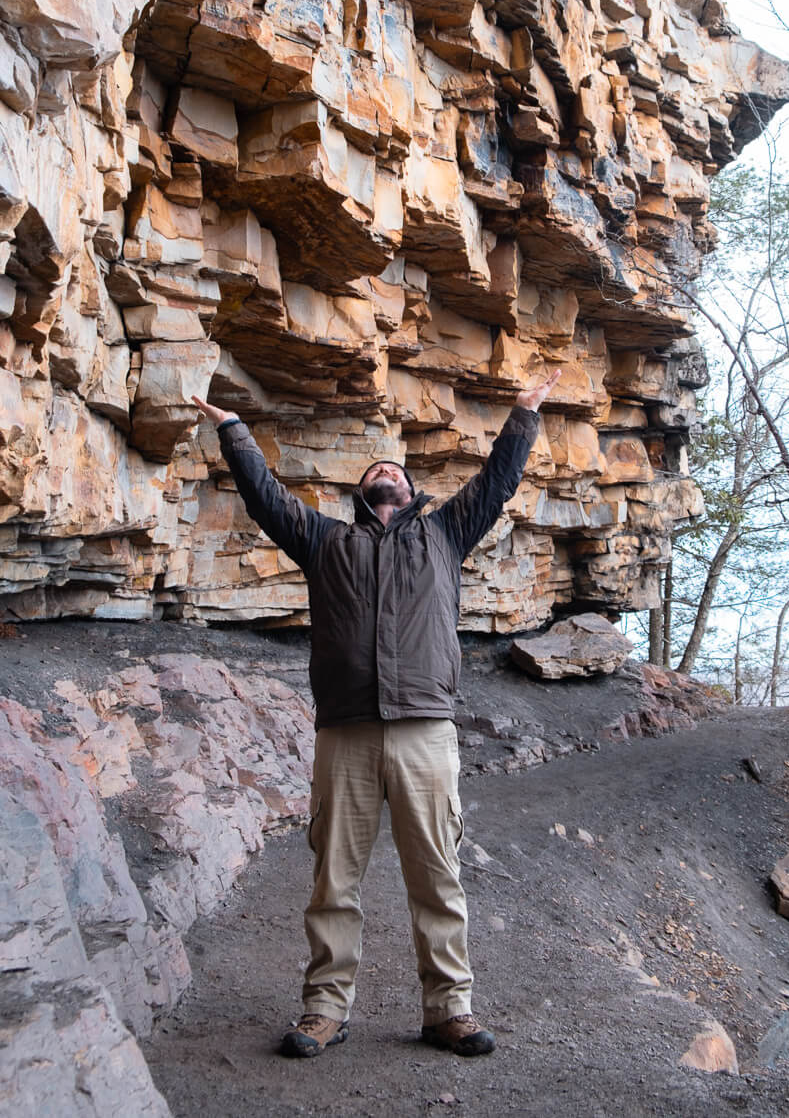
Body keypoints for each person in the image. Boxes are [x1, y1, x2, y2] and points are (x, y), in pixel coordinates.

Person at [192, 370, 560, 1059]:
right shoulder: (325, 540)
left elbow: (496, 482)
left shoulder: (446, 534)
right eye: (375, 469)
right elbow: (264, 497)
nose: (386, 470)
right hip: (346, 732)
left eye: (396, 467)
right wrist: (232, 430)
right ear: (360, 494)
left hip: (425, 730)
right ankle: (324, 1011)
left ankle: (449, 1009)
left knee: (437, 874)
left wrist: (523, 415)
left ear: (413, 492)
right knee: (334, 879)